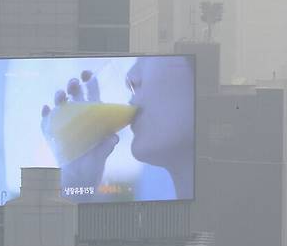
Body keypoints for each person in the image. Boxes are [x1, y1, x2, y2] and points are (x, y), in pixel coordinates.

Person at [41, 56, 194, 200]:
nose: (130, 78)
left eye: (146, 56)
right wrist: (75, 186)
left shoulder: (151, 189)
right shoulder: (149, 191)